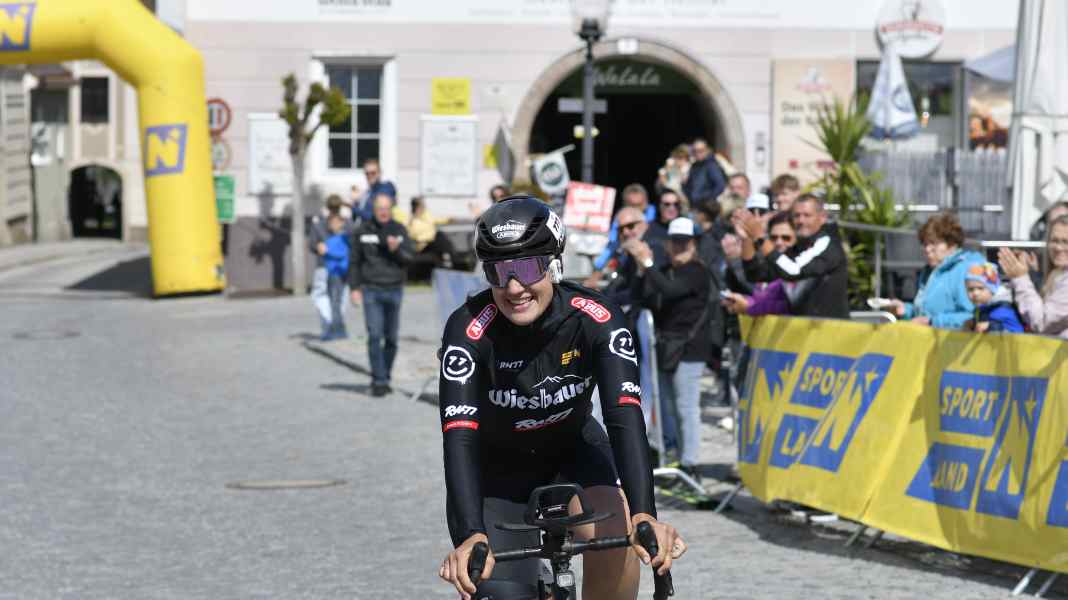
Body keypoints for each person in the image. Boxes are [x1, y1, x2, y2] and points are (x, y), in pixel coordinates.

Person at [437, 196, 685, 600]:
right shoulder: (467, 332)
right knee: (498, 593)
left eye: (527, 268)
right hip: (498, 474)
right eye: (498, 273)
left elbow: (624, 416)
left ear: (554, 263)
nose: (513, 287)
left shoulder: (596, 318)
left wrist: (645, 514)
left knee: (623, 536)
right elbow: (458, 437)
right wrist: (468, 534)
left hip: (574, 452)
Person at [638, 217, 710, 481]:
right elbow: (648, 296)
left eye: (685, 242)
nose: (680, 247)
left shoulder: (697, 271)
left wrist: (646, 264)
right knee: (667, 406)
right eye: (675, 242)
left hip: (689, 349)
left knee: (686, 406)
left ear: (694, 244)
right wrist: (643, 269)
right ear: (667, 244)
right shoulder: (666, 268)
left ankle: (691, 464)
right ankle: (676, 456)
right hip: (667, 346)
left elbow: (670, 291)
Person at [737, 194, 849, 319]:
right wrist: (747, 237)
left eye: (807, 215)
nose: (801, 221)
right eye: (796, 215)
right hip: (802, 332)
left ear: (822, 217)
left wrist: (760, 237)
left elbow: (793, 271)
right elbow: (755, 275)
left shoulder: (826, 243)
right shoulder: (797, 248)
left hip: (830, 331)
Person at [349, 193, 415, 397]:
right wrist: (354, 288)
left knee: (391, 338)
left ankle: (385, 376)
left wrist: (396, 250)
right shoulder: (362, 230)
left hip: (394, 289)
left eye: (387, 208)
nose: (383, 212)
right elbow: (354, 262)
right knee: (374, 335)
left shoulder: (399, 229)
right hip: (371, 290)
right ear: (373, 209)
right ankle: (378, 380)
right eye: (380, 208)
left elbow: (409, 259)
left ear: (391, 209)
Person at [886, 213, 984, 329]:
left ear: (952, 244)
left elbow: (972, 317)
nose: (927, 249)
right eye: (925, 244)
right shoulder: (929, 271)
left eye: (934, 243)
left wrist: (933, 321)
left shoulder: (967, 270)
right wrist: (904, 310)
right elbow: (924, 313)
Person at [722, 212, 806, 317]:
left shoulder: (802, 266)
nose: (779, 242)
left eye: (786, 238)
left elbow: (790, 306)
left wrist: (750, 307)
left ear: (796, 238)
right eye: (773, 238)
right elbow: (752, 273)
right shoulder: (769, 265)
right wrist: (746, 238)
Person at [1001, 214, 1068, 338]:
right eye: (1054, 240)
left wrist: (1021, 278)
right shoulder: (1058, 273)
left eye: (1066, 242)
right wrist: (1032, 275)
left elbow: (1041, 322)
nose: (1059, 247)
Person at [587, 183, 658, 286]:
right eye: (632, 205)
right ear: (625, 204)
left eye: (639, 205)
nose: (636, 209)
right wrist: (595, 275)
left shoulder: (656, 214)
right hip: (627, 264)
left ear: (646, 202)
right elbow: (611, 246)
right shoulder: (621, 219)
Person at [310, 194, 355, 339]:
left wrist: (318, 247)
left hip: (325, 265)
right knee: (340, 298)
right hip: (342, 266)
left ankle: (331, 326)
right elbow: (354, 243)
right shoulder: (347, 223)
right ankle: (337, 326)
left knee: (322, 296)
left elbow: (312, 245)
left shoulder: (319, 224)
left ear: (327, 207)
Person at [962, 263, 1024, 333]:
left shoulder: (1003, 309)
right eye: (970, 289)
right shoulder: (982, 308)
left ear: (992, 289)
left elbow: (1016, 332)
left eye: (980, 288)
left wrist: (991, 327)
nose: (975, 293)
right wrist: (972, 324)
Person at [321, 213, 351, 340]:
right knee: (334, 302)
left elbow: (344, 253)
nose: (332, 225)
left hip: (339, 273)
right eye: (330, 223)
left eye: (335, 222)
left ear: (341, 223)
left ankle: (339, 331)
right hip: (331, 272)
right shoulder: (330, 238)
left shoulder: (344, 237)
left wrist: (328, 251)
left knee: (335, 302)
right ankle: (337, 329)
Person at [409, 196, 454, 269]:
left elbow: (438, 219)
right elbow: (411, 237)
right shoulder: (412, 222)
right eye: (422, 206)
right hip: (422, 246)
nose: (424, 207)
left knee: (439, 236)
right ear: (416, 207)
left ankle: (447, 259)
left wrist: (449, 219)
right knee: (439, 238)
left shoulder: (427, 215)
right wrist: (428, 239)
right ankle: (448, 259)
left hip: (434, 243)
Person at [682, 137, 727, 208]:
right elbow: (690, 187)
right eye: (695, 151)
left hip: (706, 207)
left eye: (700, 150)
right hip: (695, 206)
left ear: (707, 150)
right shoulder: (694, 166)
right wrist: (684, 185)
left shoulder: (712, 165)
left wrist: (706, 199)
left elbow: (720, 186)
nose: (697, 153)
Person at [354, 158, 397, 222]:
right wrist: (356, 202)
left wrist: (353, 208)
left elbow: (378, 216)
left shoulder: (386, 189)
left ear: (379, 173)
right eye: (367, 173)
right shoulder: (368, 192)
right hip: (363, 229)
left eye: (373, 173)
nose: (370, 175)